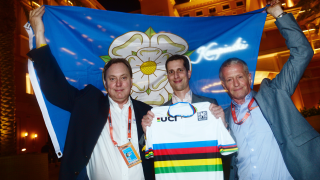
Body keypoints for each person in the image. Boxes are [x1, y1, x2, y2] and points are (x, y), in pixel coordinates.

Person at [28, 6, 154, 180]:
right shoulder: (89, 104)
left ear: (131, 81)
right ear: (105, 82)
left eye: (123, 77)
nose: (118, 84)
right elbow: (54, 89)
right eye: (112, 79)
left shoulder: (147, 112)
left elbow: (157, 156)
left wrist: (150, 137)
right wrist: (39, 34)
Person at [220, 1, 320, 179]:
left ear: (249, 78)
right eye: (229, 79)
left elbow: (302, 52)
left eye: (240, 77)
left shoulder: (275, 94)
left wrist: (279, 14)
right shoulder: (222, 118)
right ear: (223, 85)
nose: (236, 83)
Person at [142, 54, 227, 133]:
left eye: (180, 70)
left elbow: (225, 141)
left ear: (188, 74)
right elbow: (146, 144)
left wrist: (224, 125)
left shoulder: (209, 105)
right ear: (168, 77)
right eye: (171, 72)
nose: (176, 76)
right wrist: (147, 132)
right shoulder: (160, 113)